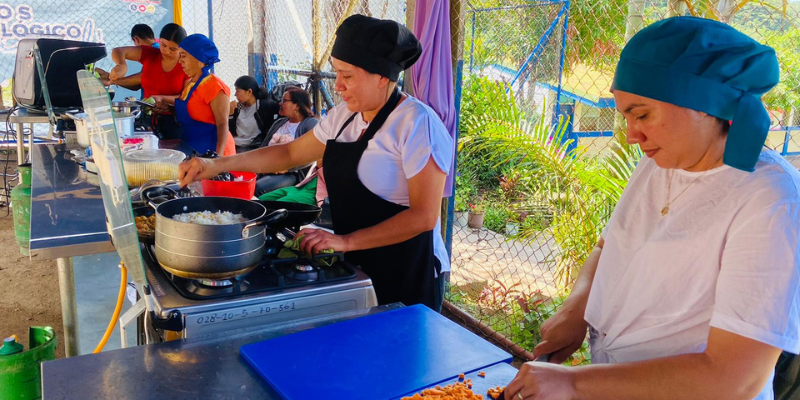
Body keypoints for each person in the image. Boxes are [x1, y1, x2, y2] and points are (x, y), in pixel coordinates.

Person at [502, 17, 800, 400]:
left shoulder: (770, 201)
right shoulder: (660, 163)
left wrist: (574, 383)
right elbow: (608, 246)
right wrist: (576, 311)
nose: (632, 135)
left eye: (642, 114)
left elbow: (734, 379)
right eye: (626, 116)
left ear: (706, 104)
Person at [179, 14, 454, 311]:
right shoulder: (343, 116)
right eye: (336, 74)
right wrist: (216, 165)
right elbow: (288, 154)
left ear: (382, 77)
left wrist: (345, 241)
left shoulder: (417, 124)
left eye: (347, 76)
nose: (338, 86)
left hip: (407, 269)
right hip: (359, 264)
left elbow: (423, 216)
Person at [108, 23, 188, 140]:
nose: (166, 51)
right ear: (159, 41)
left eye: (173, 49)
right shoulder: (151, 54)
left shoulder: (186, 65)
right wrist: (121, 65)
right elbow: (118, 51)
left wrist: (162, 99)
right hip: (147, 119)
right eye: (163, 45)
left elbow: (186, 97)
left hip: (174, 123)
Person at [175, 34, 235, 156]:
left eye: (184, 56)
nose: (180, 60)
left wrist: (218, 158)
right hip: (192, 148)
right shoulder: (192, 84)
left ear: (199, 59)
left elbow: (222, 124)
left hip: (212, 150)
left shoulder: (214, 85)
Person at [252, 86, 319, 195]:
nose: (280, 103)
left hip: (292, 173)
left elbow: (312, 156)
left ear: (297, 105)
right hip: (267, 168)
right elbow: (263, 149)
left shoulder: (310, 124)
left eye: (284, 100)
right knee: (241, 182)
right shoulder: (279, 123)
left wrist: (285, 169)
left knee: (257, 188)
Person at [96, 24, 159, 92]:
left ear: (136, 39)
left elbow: (118, 51)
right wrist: (111, 78)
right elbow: (137, 85)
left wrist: (121, 66)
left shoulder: (154, 51)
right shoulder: (157, 49)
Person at [229, 75, 280, 153]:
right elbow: (230, 132)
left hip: (253, 148)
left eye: (238, 91)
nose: (235, 94)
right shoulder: (237, 107)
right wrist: (230, 115)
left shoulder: (264, 106)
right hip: (235, 146)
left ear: (249, 91)